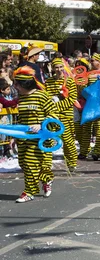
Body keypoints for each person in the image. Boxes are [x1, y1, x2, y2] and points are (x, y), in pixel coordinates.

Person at [13, 66, 58, 203]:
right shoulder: (21, 98)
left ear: (24, 84)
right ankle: (46, 178)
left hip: (40, 139)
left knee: (31, 163)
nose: (15, 87)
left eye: (17, 84)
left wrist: (41, 124)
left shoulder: (42, 96)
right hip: (23, 138)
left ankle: (30, 192)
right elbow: (20, 118)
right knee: (24, 164)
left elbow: (53, 116)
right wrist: (15, 135)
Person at [44, 58, 78, 172]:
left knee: (68, 141)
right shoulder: (48, 82)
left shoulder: (69, 81)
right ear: (53, 69)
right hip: (51, 115)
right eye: (56, 67)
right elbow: (46, 96)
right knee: (48, 140)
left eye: (61, 67)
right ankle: (46, 165)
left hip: (65, 115)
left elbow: (72, 98)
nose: (59, 70)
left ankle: (72, 163)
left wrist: (56, 106)